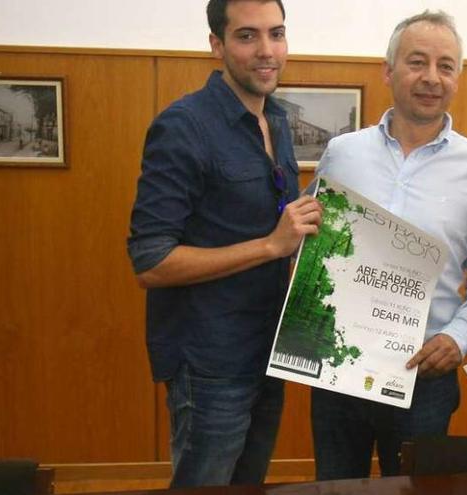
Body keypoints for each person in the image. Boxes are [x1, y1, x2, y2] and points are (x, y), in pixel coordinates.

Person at [126, 0, 322, 487]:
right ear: (217, 44)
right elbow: (150, 261)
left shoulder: (275, 119)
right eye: (247, 36)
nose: (267, 51)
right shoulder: (184, 126)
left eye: (276, 34)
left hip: (270, 351)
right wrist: (271, 246)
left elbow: (279, 231)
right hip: (211, 363)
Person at [311, 10, 467, 480]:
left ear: (458, 79)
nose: (431, 78)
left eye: (446, 66)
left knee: (418, 490)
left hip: (425, 375)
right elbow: (310, 242)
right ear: (388, 70)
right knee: (337, 489)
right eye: (417, 62)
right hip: (340, 365)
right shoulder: (343, 153)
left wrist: (457, 339)